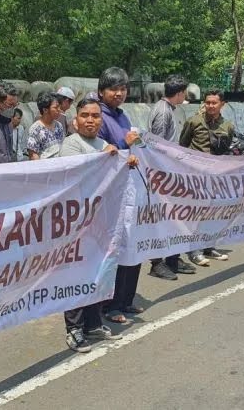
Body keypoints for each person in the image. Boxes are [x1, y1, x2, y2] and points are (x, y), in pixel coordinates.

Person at [59, 97, 136, 351]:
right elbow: (77, 173)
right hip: (77, 222)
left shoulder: (103, 144)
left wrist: (125, 162)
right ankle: (74, 328)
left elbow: (111, 174)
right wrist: (106, 157)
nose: (90, 120)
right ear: (75, 120)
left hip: (100, 220)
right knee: (75, 274)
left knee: (97, 272)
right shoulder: (71, 144)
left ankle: (93, 324)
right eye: (85, 115)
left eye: (95, 116)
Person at [95, 67, 143, 325]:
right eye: (113, 89)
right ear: (101, 91)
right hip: (110, 193)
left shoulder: (122, 116)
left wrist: (135, 143)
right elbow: (102, 154)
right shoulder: (98, 117)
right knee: (114, 246)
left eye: (123, 89)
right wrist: (126, 145)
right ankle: (109, 304)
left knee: (130, 243)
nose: (119, 93)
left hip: (128, 188)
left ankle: (125, 299)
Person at [146, 75, 196, 280]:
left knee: (174, 218)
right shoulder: (163, 112)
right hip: (161, 174)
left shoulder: (169, 109)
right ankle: (157, 263)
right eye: (184, 93)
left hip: (169, 171)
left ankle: (173, 258)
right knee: (161, 219)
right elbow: (156, 145)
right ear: (180, 93)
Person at [179, 89, 235, 266]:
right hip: (196, 177)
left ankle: (209, 246)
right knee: (196, 213)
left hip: (216, 177)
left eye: (214, 103)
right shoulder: (194, 121)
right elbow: (182, 146)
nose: (210, 106)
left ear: (222, 104)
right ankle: (194, 250)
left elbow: (226, 150)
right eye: (208, 102)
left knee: (214, 213)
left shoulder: (227, 126)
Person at [27, 92, 66, 160]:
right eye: (56, 107)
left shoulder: (59, 126)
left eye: (59, 107)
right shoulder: (36, 129)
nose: (59, 110)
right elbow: (33, 155)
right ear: (45, 110)